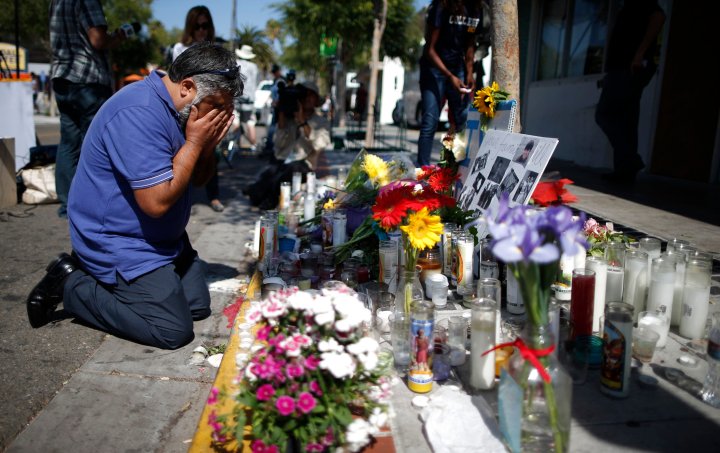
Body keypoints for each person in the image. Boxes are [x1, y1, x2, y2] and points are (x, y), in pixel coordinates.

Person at [26, 42, 242, 350]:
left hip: (164, 240)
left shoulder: (183, 110)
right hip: (120, 239)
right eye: (217, 106)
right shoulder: (137, 112)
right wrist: (194, 144)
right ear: (188, 87)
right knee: (172, 329)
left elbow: (198, 180)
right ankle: (72, 284)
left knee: (196, 306)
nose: (221, 116)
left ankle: (121, 282)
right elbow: (156, 204)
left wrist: (206, 148)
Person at [49, 0, 129, 218]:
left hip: (62, 76)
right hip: (87, 78)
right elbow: (98, 39)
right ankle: (90, 205)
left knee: (68, 142)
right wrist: (118, 37)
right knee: (94, 143)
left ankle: (66, 204)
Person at [595, 0, 665, 183]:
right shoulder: (628, 6)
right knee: (626, 120)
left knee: (605, 114)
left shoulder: (642, 5)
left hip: (629, 68)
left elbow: (658, 17)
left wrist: (639, 54)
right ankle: (624, 171)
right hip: (623, 69)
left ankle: (629, 160)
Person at [244, 81, 330, 209]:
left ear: (317, 99)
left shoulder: (321, 122)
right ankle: (257, 191)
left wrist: (302, 122)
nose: (307, 98)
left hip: (305, 164)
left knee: (291, 170)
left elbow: (319, 145)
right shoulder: (290, 118)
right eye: (304, 95)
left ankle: (266, 196)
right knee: (271, 171)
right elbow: (278, 145)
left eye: (311, 95)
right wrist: (282, 115)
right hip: (282, 161)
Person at [172, 5, 225, 212]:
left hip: (209, 108)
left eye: (205, 25)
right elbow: (177, 79)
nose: (201, 30)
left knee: (212, 153)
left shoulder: (215, 50)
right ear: (190, 27)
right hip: (187, 109)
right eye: (197, 26)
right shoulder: (180, 49)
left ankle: (214, 196)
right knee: (184, 152)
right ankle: (185, 198)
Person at [417, 0, 482, 167]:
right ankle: (422, 172)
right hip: (434, 69)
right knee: (430, 121)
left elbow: (469, 44)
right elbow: (429, 49)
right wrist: (449, 76)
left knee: (463, 120)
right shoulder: (441, 6)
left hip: (457, 68)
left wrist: (469, 72)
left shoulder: (475, 9)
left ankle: (455, 170)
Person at [233, 44, 260, 153]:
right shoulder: (254, 67)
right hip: (250, 99)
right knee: (250, 122)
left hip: (237, 98)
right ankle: (253, 145)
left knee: (236, 120)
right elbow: (256, 83)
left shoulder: (236, 64)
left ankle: (236, 145)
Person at [263, 63, 285, 156]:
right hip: (276, 108)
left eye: (275, 72)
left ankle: (274, 146)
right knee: (273, 127)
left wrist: (277, 101)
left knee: (279, 128)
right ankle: (270, 146)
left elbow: (282, 94)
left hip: (281, 108)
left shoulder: (281, 80)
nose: (274, 74)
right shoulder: (276, 80)